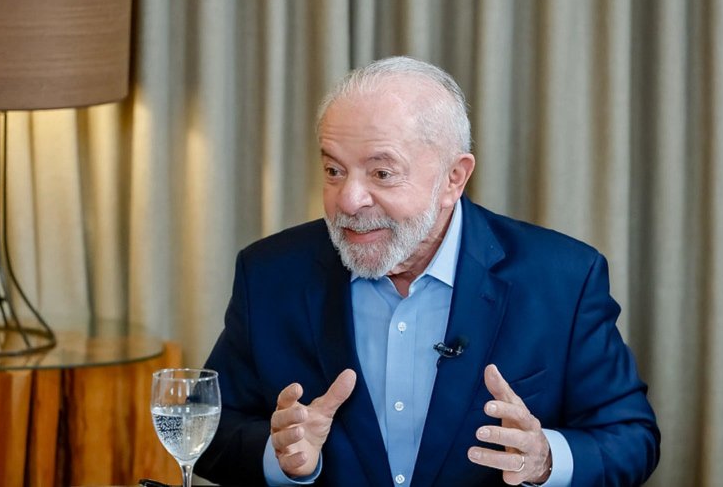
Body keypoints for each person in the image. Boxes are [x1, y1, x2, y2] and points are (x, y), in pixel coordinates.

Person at [195, 56, 660, 486]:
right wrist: (278, 456)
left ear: (453, 178)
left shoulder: (563, 279)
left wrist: (545, 460)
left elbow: (631, 437)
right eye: (334, 171)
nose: (349, 200)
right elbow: (207, 430)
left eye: (381, 173)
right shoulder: (269, 274)